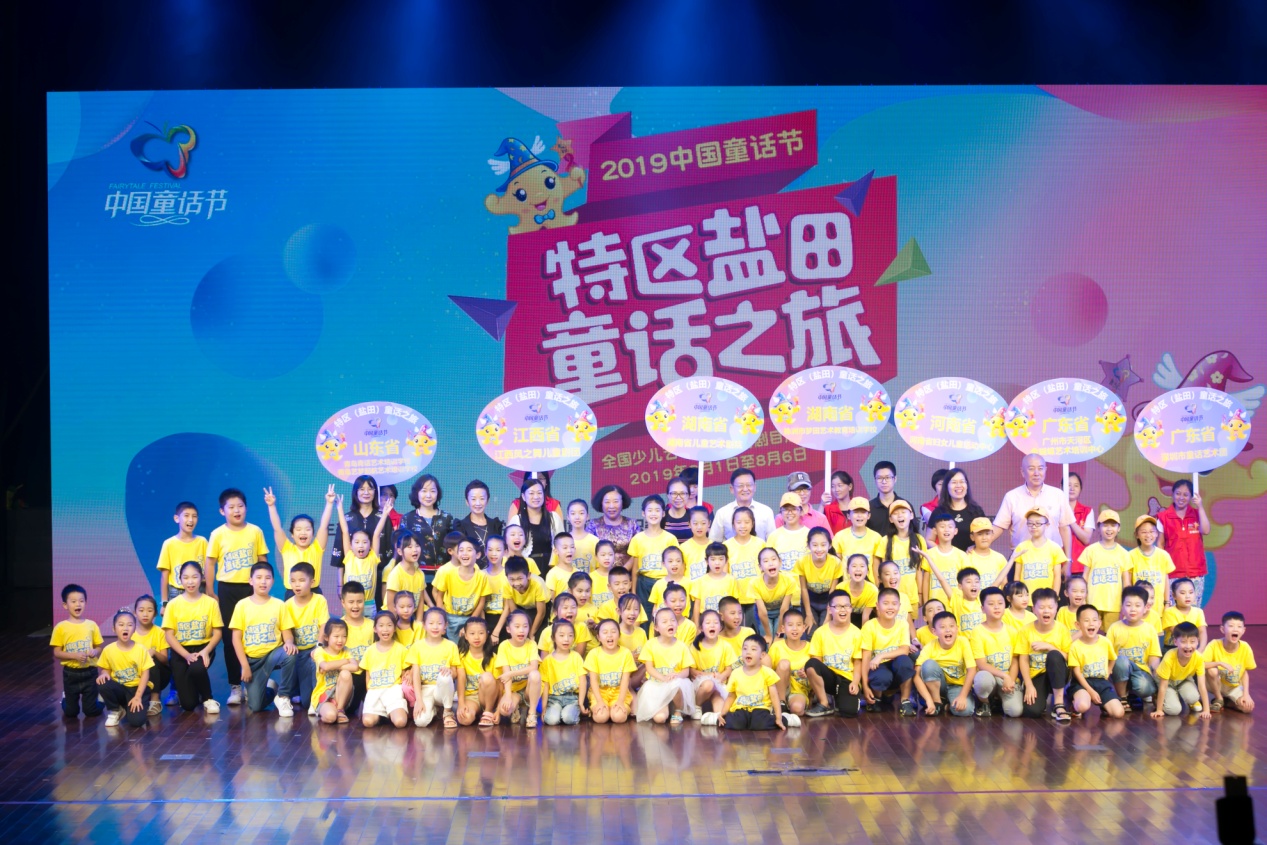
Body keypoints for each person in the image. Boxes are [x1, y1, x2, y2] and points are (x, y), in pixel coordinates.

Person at [205, 488, 270, 708]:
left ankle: (257, 681)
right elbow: (210, 563)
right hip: (227, 590)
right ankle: (235, 686)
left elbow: (262, 560)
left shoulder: (255, 531)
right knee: (229, 638)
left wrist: (262, 586)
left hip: (251, 589)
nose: (236, 510)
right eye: (231, 507)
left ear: (246, 508)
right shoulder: (217, 534)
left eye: (240, 506)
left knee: (254, 635)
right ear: (222, 511)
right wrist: (210, 591)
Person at [228, 562, 297, 716]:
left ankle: (283, 696)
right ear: (250, 581)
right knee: (256, 706)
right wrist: (245, 666)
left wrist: (289, 642)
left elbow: (287, 632)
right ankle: (271, 688)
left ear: (273, 581)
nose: (263, 581)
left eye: (267, 578)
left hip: (273, 654)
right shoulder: (242, 605)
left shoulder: (279, 605)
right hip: (253, 660)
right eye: (259, 577)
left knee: (290, 654)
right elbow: (236, 639)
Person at [162, 562, 223, 713]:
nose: (190, 582)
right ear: (180, 579)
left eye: (194, 577)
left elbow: (218, 633)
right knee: (189, 705)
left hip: (203, 647)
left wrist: (206, 651)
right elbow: (169, 635)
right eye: (186, 577)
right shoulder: (173, 604)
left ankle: (208, 698)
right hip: (180, 651)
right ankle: (195, 690)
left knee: (196, 668)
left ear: (202, 578)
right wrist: (186, 655)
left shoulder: (211, 603)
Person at [991, 454, 1074, 560]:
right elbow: (999, 526)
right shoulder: (1012, 496)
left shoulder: (1058, 495)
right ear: (1022, 472)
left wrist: (1068, 559)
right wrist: (979, 545)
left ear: (1045, 470)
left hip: (1052, 559)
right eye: (1031, 469)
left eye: (1040, 468)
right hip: (1021, 559)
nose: (1036, 473)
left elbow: (1064, 528)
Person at [331, 476, 393, 608]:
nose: (366, 492)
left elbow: (389, 551)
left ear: (375, 492)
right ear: (355, 492)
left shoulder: (383, 518)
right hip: (352, 579)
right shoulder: (347, 518)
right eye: (362, 489)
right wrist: (340, 585)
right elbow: (341, 554)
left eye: (370, 489)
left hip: (379, 578)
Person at [265, 485, 335, 598]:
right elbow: (277, 528)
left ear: (313, 533)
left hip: (314, 593)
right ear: (292, 534)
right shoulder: (287, 548)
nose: (303, 533)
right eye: (298, 529)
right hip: (292, 594)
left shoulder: (317, 548)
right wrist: (271, 506)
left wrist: (329, 503)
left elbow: (323, 526)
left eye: (307, 529)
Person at [1014, 587, 1071, 722]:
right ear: (1034, 609)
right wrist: (1029, 685)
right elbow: (1023, 659)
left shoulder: (1062, 630)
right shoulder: (1025, 631)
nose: (1046, 611)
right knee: (1031, 711)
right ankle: (1043, 698)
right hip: (1037, 675)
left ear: (1056, 608)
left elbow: (1069, 657)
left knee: (1054, 655)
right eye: (1041, 607)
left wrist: (1050, 647)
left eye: (1050, 607)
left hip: (1059, 673)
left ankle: (1058, 704)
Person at [280, 563, 330, 714]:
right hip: (299, 653)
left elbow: (324, 625)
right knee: (305, 700)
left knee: (309, 700)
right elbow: (286, 630)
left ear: (312, 582)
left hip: (314, 649)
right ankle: (286, 692)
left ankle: (319, 698)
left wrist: (319, 646)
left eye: (301, 580)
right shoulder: (287, 605)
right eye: (293, 581)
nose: (297, 584)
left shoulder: (319, 600)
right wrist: (289, 642)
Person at [718, 636, 797, 730]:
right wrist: (722, 713)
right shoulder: (735, 673)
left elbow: (774, 696)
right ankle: (716, 718)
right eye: (745, 649)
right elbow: (731, 696)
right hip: (741, 708)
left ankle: (786, 718)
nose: (748, 652)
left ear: (762, 655)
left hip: (761, 708)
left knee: (759, 724)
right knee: (735, 724)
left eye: (753, 649)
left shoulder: (767, 672)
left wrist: (779, 717)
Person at [805, 592, 863, 718]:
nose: (843, 610)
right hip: (828, 677)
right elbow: (816, 661)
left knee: (849, 712)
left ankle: (839, 698)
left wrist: (855, 682)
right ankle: (824, 702)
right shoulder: (820, 632)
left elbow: (858, 662)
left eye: (846, 606)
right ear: (829, 609)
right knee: (811, 664)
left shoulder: (857, 633)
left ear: (851, 608)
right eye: (838, 606)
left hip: (846, 678)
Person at [860, 588, 917, 715]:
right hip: (878, 670)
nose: (890, 607)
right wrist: (865, 686)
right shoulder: (869, 626)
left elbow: (904, 650)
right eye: (886, 603)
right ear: (877, 606)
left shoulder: (903, 624)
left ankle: (905, 701)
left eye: (894, 603)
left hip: (895, 667)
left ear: (899, 606)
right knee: (883, 676)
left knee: (905, 661)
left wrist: (881, 655)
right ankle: (877, 698)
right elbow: (866, 657)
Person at [635, 608, 698, 724]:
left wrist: (676, 676)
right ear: (656, 627)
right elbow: (649, 668)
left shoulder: (682, 646)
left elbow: (686, 671)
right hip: (657, 684)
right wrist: (663, 678)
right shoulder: (650, 644)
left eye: (673, 620)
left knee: (677, 685)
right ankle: (666, 707)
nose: (670, 623)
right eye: (664, 621)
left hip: (675, 683)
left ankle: (678, 711)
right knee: (660, 718)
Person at [1156, 479, 1212, 606]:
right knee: (1173, 611)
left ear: (1191, 497)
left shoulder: (1197, 514)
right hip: (1173, 573)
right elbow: (1160, 544)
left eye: (1186, 495)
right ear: (1172, 494)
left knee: (1193, 610)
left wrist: (1200, 506)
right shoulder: (1163, 517)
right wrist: (1163, 568)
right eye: (1178, 493)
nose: (1181, 498)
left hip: (1195, 573)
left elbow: (1206, 530)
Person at [51, 583, 103, 719]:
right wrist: (74, 656)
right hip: (71, 674)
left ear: (85, 603)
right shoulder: (60, 627)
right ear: (65, 605)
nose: (78, 604)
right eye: (73, 601)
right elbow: (57, 652)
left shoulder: (91, 625)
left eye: (81, 601)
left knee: (91, 711)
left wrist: (95, 652)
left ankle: (101, 698)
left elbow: (99, 647)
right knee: (71, 712)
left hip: (90, 672)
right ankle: (66, 698)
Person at [970, 587, 1023, 717]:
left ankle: (998, 699)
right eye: (991, 604)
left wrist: (1010, 679)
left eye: (1000, 603)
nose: (996, 607)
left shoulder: (1012, 631)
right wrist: (1004, 676)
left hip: (1006, 679)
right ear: (982, 609)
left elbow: (1015, 660)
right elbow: (981, 664)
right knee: (983, 680)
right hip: (989, 677)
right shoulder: (977, 631)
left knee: (1015, 712)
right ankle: (984, 702)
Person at [95, 610, 153, 728]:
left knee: (137, 722)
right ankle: (116, 710)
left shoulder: (141, 649)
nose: (125, 628)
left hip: (137, 689)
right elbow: (106, 669)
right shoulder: (108, 649)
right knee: (102, 682)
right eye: (121, 625)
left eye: (130, 625)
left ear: (134, 629)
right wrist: (104, 674)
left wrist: (138, 697)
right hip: (120, 688)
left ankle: (134, 705)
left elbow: (145, 674)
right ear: (114, 629)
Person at [914, 611, 977, 717]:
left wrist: (962, 696)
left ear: (957, 628)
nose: (948, 630)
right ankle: (937, 701)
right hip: (938, 686)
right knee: (928, 665)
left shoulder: (963, 642)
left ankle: (945, 706)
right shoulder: (930, 646)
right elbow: (916, 674)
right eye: (942, 627)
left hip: (957, 686)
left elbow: (972, 669)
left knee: (965, 711)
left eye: (951, 626)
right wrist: (929, 700)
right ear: (934, 631)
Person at [406, 607, 460, 728]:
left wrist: (449, 672)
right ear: (424, 625)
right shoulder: (417, 647)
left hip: (442, 689)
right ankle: (435, 710)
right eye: (431, 623)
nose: (435, 627)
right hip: (425, 689)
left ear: (445, 625)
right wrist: (419, 700)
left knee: (445, 676)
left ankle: (447, 712)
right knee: (421, 722)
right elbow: (415, 675)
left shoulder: (451, 646)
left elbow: (455, 673)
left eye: (439, 623)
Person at [1067, 604, 1125, 719]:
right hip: (1082, 683)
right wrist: (1091, 691)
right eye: (1086, 620)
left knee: (1119, 713)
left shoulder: (1105, 642)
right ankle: (1074, 703)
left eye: (1094, 620)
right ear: (1078, 625)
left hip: (1101, 682)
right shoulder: (1075, 646)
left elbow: (1113, 658)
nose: (1091, 623)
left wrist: (1108, 671)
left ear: (1099, 623)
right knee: (1082, 706)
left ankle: (1104, 705)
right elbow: (1077, 673)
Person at [1077, 509, 1133, 627]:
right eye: (1105, 525)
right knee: (1090, 631)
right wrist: (1083, 598)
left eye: (1113, 525)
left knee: (1111, 634)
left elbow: (1126, 582)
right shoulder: (1090, 550)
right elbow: (1085, 577)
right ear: (1098, 527)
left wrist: (1126, 603)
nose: (1109, 529)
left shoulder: (1124, 553)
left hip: (1114, 605)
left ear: (1119, 528)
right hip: (1092, 603)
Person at [1109, 586, 1161, 709]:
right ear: (1122, 607)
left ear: (1145, 608)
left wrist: (1158, 680)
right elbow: (1108, 655)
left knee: (1144, 687)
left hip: (1141, 671)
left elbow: (1154, 658)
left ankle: (1134, 693)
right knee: (1121, 660)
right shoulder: (1114, 628)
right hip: (1119, 671)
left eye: (1138, 605)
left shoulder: (1149, 629)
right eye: (1128, 605)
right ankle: (1122, 697)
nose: (1133, 609)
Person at [627, 495, 680, 614]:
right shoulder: (637, 539)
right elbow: (635, 569)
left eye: (657, 510)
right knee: (645, 616)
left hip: (665, 582)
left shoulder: (670, 538)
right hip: (643, 584)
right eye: (650, 510)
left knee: (664, 615)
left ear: (663, 513)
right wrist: (634, 591)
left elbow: (677, 564)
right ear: (643, 513)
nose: (653, 514)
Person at [399, 474, 455, 584]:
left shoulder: (447, 517)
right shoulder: (408, 519)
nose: (428, 495)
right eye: (424, 491)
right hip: (416, 574)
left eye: (432, 491)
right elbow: (401, 547)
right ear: (417, 493)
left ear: (438, 493)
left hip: (445, 575)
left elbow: (454, 546)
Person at [432, 537, 490, 643]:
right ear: (458, 554)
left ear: (478, 555)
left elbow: (482, 602)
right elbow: (439, 596)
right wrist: (442, 618)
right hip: (450, 617)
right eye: (461, 550)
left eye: (469, 550)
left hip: (471, 617)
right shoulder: (448, 573)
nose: (464, 553)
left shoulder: (482, 576)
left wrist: (470, 623)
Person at [358, 611, 410, 728]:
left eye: (389, 625)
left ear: (394, 628)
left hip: (393, 690)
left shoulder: (401, 649)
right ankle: (382, 714)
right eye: (381, 625)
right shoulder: (370, 651)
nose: (385, 629)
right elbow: (368, 676)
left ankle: (392, 712)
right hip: (375, 691)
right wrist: (369, 694)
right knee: (368, 722)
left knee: (400, 722)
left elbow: (405, 672)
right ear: (375, 629)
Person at [875, 500, 927, 611]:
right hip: (891, 598)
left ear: (911, 515)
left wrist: (920, 594)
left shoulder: (919, 540)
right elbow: (884, 571)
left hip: (911, 597)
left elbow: (919, 571)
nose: (900, 515)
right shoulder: (885, 541)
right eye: (895, 513)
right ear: (890, 519)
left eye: (903, 512)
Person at [494, 609, 543, 726]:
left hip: (529, 690)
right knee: (504, 711)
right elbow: (506, 674)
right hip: (513, 690)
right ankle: (516, 707)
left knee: (535, 675)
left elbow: (533, 667)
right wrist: (507, 696)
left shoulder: (531, 644)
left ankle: (531, 713)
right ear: (508, 629)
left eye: (525, 626)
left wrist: (511, 673)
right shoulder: (504, 646)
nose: (521, 630)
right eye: (517, 626)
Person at [1152, 622, 1211, 718]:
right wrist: (1159, 710)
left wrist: (1206, 710)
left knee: (1193, 697)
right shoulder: (1169, 657)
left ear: (1198, 641)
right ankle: (1158, 698)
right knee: (1174, 710)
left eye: (1192, 642)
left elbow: (1202, 686)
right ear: (1175, 642)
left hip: (1183, 680)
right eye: (1183, 642)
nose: (1188, 646)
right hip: (1167, 682)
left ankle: (1178, 696)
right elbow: (1163, 685)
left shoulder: (1199, 658)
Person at [509, 476, 565, 577]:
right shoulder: (517, 520)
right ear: (523, 496)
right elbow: (511, 549)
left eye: (539, 493)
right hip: (527, 570)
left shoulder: (554, 518)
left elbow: (562, 544)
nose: (536, 497)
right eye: (531, 493)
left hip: (552, 569)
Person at [1006, 507, 1066, 601]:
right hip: (1026, 601)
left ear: (1047, 525)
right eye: (1030, 523)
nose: (1033, 526)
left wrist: (1054, 598)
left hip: (1046, 601)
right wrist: (1018, 598)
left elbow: (1057, 577)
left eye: (1038, 523)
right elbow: (1017, 576)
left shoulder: (1055, 548)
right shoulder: (1021, 547)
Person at [156, 502, 207, 610]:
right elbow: (164, 576)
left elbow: (208, 572)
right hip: (176, 592)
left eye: (194, 516)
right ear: (176, 518)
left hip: (199, 590)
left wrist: (209, 594)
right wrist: (164, 603)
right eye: (186, 515)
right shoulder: (169, 544)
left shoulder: (202, 542)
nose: (191, 520)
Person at [585, 619, 636, 724]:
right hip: (599, 692)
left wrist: (620, 701)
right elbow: (593, 681)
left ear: (619, 635)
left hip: (619, 692)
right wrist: (599, 702)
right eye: (605, 632)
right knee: (600, 717)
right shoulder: (593, 654)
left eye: (613, 631)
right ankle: (605, 709)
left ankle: (613, 709)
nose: (609, 635)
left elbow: (625, 680)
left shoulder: (626, 653)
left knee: (618, 717)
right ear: (599, 637)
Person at [1204, 611, 1256, 714]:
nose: (1235, 629)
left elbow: (1244, 673)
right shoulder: (1214, 644)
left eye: (1239, 626)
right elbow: (1201, 664)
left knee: (1247, 708)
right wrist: (1219, 663)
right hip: (1215, 683)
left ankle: (1226, 701)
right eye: (1231, 626)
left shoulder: (1245, 647)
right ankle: (1219, 698)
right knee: (1212, 670)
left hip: (1233, 686)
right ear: (1222, 629)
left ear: (1243, 630)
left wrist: (1246, 694)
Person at [541, 619, 588, 726]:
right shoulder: (547, 660)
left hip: (572, 698)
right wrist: (544, 707)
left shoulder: (576, 657)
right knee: (551, 720)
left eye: (570, 635)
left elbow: (583, 682)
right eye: (561, 635)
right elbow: (545, 686)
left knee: (568, 718)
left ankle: (570, 713)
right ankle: (559, 713)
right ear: (553, 638)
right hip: (554, 699)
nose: (566, 639)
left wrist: (581, 703)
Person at [691, 610, 736, 719]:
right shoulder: (695, 646)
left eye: (716, 622)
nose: (712, 625)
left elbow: (729, 669)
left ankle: (709, 719)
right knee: (709, 685)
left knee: (720, 712)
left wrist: (721, 676)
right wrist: (710, 675)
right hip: (701, 683)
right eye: (708, 623)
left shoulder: (726, 646)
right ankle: (697, 706)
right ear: (701, 628)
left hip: (719, 682)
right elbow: (691, 671)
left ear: (720, 627)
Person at [338, 581, 375, 718]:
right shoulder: (339, 627)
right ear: (343, 603)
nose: (355, 606)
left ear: (364, 601)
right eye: (351, 602)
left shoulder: (373, 626)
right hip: (350, 678)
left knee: (376, 717)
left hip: (369, 677)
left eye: (359, 601)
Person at [927, 469, 986, 552]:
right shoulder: (939, 512)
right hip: (947, 559)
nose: (958, 485)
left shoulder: (977, 511)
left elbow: (986, 537)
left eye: (962, 482)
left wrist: (975, 547)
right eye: (954, 482)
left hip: (971, 558)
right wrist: (945, 553)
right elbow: (929, 540)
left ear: (967, 485)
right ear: (946, 486)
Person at [709, 469, 776, 542]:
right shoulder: (722, 513)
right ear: (732, 489)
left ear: (755, 487)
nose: (745, 489)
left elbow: (772, 541)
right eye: (740, 486)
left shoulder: (766, 511)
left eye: (749, 485)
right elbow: (714, 542)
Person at [456, 617, 499, 726]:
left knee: (487, 677)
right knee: (464, 719)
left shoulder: (494, 657)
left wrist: (498, 710)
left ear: (487, 635)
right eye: (472, 633)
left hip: (488, 697)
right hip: (471, 698)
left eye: (481, 633)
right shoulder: (461, 656)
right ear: (466, 636)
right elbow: (461, 680)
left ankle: (488, 712)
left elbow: (500, 685)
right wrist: (461, 704)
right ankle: (476, 713)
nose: (476, 637)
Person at [796, 527, 842, 630]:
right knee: (810, 632)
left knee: (825, 630)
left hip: (828, 601)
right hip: (809, 601)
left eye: (823, 545)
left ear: (829, 545)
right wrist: (808, 614)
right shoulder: (802, 562)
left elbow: (832, 591)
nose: (819, 549)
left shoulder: (836, 563)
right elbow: (803, 589)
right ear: (808, 546)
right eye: (815, 545)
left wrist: (828, 616)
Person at [770, 607, 812, 717]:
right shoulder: (777, 647)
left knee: (797, 709)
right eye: (790, 625)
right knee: (784, 664)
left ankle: (788, 706)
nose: (795, 629)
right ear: (783, 628)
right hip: (780, 688)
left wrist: (807, 673)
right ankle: (781, 703)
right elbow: (768, 671)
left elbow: (817, 674)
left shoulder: (810, 647)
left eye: (798, 625)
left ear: (804, 628)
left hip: (799, 690)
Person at [312, 619, 356, 725]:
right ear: (326, 637)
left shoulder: (346, 651)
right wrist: (345, 661)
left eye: (344, 636)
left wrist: (332, 666)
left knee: (346, 674)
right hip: (324, 696)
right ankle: (328, 712)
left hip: (341, 696)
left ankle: (340, 710)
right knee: (331, 717)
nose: (340, 640)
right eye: (336, 636)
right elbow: (325, 666)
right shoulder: (320, 652)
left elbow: (355, 667)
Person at [494, 557, 549, 640]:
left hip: (538, 608)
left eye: (520, 579)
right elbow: (514, 611)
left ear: (528, 575)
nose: (516, 583)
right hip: (521, 608)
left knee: (537, 637)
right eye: (512, 579)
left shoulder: (537, 584)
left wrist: (530, 634)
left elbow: (541, 613)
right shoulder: (506, 584)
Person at [586, 485, 640, 569]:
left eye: (616, 501)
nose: (611, 506)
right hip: (600, 573)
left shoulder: (632, 524)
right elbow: (589, 552)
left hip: (627, 574)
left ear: (622, 503)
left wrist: (622, 571)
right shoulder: (594, 525)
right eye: (607, 502)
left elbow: (637, 552)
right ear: (601, 503)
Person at [453, 480, 504, 569]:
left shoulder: (495, 525)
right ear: (467, 502)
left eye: (482, 498)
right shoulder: (460, 526)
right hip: (470, 574)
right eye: (473, 499)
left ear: (487, 501)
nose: (478, 503)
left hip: (492, 574)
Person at [132, 595, 168, 715]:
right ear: (135, 613)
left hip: (159, 675)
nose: (145, 614)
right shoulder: (130, 633)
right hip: (136, 674)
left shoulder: (160, 632)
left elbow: (165, 660)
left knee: (151, 660)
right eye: (141, 610)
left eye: (149, 610)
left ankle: (155, 700)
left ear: (155, 614)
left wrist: (154, 652)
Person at [921, 513, 967, 606]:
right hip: (935, 605)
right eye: (942, 526)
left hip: (956, 605)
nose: (946, 529)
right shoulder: (929, 554)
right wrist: (926, 603)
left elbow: (965, 581)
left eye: (950, 526)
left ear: (955, 531)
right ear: (935, 531)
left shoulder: (962, 555)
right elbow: (926, 581)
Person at [750, 548, 796, 641]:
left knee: (780, 641)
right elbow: (762, 612)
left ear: (780, 562)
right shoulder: (754, 583)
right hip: (765, 613)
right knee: (767, 641)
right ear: (760, 567)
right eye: (766, 561)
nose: (771, 563)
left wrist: (779, 633)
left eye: (774, 559)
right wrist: (768, 635)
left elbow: (784, 609)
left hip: (781, 612)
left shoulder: (789, 581)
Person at [690, 543, 741, 622]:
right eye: (713, 559)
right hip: (706, 622)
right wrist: (697, 625)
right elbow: (697, 606)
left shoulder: (731, 580)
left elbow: (735, 604)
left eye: (721, 559)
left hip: (725, 621)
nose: (717, 563)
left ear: (726, 560)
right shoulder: (700, 581)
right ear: (707, 561)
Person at [1129, 514, 1174, 601]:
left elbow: (1166, 582)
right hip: (1139, 606)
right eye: (1144, 532)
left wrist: (1167, 603)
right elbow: (1129, 583)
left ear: (1157, 533)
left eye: (1152, 531)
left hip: (1159, 606)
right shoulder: (1131, 555)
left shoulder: (1163, 555)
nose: (1148, 535)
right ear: (1136, 535)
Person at [831, 497, 882, 570]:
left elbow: (876, 568)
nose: (859, 515)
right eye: (855, 512)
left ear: (868, 516)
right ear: (848, 516)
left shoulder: (876, 538)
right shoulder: (839, 537)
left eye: (863, 512)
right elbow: (836, 567)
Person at [538, 592, 593, 657]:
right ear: (555, 612)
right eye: (565, 608)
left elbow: (579, 656)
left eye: (573, 607)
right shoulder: (546, 632)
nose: (570, 611)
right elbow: (544, 660)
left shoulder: (581, 627)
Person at [383, 531, 427, 612]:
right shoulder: (395, 574)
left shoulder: (420, 574)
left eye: (417, 546)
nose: (415, 550)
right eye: (410, 547)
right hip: (393, 616)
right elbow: (390, 605)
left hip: (410, 615)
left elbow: (421, 601)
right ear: (399, 551)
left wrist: (418, 619)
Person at [867, 462, 913, 537]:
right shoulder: (868, 507)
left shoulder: (905, 505)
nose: (884, 482)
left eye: (887, 477)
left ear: (895, 479)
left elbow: (913, 533)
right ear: (875, 480)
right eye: (879, 478)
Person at [770, 494, 811, 574]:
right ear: (780, 512)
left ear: (801, 511)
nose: (790, 512)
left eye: (794, 509)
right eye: (785, 509)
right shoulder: (774, 536)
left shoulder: (809, 534)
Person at [1162, 578, 1207, 650]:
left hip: (1192, 648)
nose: (1187, 596)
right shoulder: (1169, 612)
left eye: (1191, 592)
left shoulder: (1198, 612)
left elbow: (1202, 632)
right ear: (1174, 595)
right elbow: (1177, 632)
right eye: (1183, 593)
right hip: (1172, 649)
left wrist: (1201, 649)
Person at [965, 517, 1008, 590]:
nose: (984, 537)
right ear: (972, 537)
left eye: (987, 533)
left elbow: (1004, 585)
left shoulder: (1000, 558)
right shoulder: (966, 558)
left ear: (992, 535)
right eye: (980, 534)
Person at [1067, 471, 1096, 573]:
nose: (1072, 488)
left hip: (1080, 566)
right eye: (1068, 485)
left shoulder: (1087, 511)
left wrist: (1070, 519)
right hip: (1058, 564)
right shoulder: (1055, 510)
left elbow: (1086, 539)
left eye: (1076, 485)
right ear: (1061, 487)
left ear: (1080, 489)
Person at [843, 554, 878, 629]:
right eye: (854, 566)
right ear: (848, 570)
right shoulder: (841, 588)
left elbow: (865, 617)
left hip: (865, 620)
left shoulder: (873, 590)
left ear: (867, 570)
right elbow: (844, 615)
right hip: (846, 618)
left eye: (862, 566)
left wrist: (863, 634)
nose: (858, 569)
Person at [822, 470, 857, 536]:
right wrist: (821, 505)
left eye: (840, 485)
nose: (836, 490)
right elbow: (817, 526)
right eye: (833, 486)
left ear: (850, 486)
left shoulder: (858, 507)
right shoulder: (828, 509)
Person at [663, 477, 695, 541]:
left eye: (682, 493)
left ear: (688, 495)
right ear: (667, 495)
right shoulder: (662, 517)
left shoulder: (694, 516)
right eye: (674, 493)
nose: (678, 497)